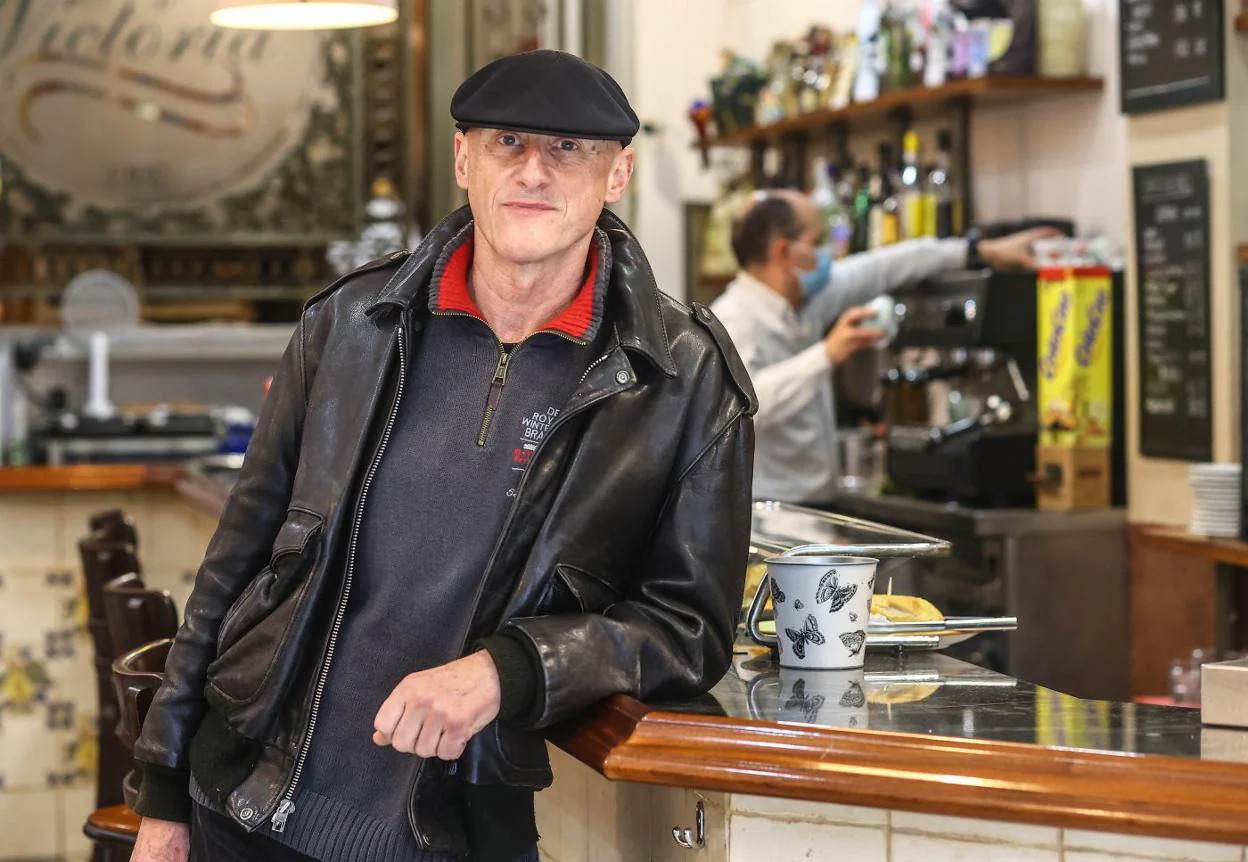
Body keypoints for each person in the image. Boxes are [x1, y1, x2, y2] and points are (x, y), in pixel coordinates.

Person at [130, 50, 756, 862]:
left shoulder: (685, 374)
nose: (534, 170)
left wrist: (510, 670)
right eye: (508, 143)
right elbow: (236, 562)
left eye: (569, 149)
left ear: (619, 174)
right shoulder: (351, 322)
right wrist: (166, 794)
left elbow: (688, 626)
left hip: (452, 835)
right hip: (245, 807)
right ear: (464, 157)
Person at [711, 189, 1054, 504]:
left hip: (817, 506)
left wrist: (980, 251)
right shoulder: (732, 320)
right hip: (764, 513)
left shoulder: (807, 301)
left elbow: (884, 266)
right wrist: (826, 354)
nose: (828, 252)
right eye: (818, 240)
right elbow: (746, 405)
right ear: (785, 252)